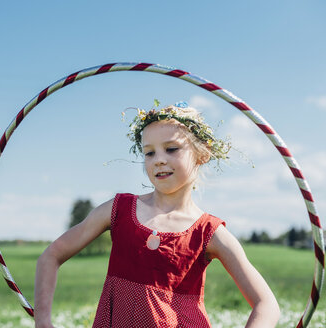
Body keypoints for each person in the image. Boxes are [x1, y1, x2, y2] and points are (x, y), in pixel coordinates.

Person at [34, 102, 280, 327]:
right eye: (149, 152)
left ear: (202, 154)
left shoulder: (209, 233)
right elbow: (51, 256)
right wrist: (43, 321)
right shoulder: (118, 209)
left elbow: (267, 305)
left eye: (171, 149)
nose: (159, 160)